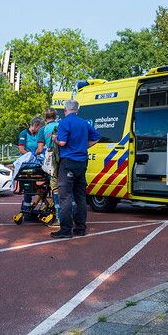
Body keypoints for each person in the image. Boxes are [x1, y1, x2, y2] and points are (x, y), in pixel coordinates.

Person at [51, 99, 101, 239]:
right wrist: (85, 147)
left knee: (65, 196)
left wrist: (55, 138)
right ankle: (80, 228)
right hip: (82, 163)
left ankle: (66, 230)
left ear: (66, 109)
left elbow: (62, 142)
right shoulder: (84, 123)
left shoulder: (64, 122)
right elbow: (97, 137)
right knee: (80, 196)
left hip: (68, 162)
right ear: (77, 110)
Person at [12, 117, 45, 207]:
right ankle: (26, 207)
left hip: (36, 160)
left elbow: (40, 148)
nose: (41, 130)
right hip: (26, 160)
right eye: (40, 127)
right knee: (28, 186)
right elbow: (21, 150)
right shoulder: (24, 133)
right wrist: (31, 156)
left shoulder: (38, 134)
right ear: (36, 125)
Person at [36, 108, 60, 226]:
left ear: (45, 117)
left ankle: (59, 218)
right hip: (63, 157)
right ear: (55, 116)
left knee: (54, 187)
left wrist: (33, 154)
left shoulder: (43, 129)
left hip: (51, 159)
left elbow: (40, 149)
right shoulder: (61, 125)